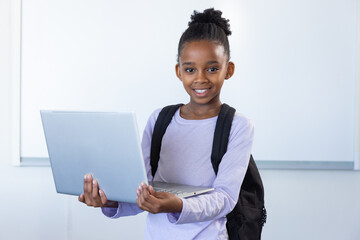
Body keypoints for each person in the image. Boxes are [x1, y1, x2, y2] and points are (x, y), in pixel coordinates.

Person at [78, 8, 254, 240]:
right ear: (179, 72)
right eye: (190, 69)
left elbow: (225, 198)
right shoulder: (160, 119)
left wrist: (178, 205)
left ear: (228, 70)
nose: (200, 78)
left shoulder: (238, 126)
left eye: (212, 68)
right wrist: (109, 201)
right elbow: (142, 192)